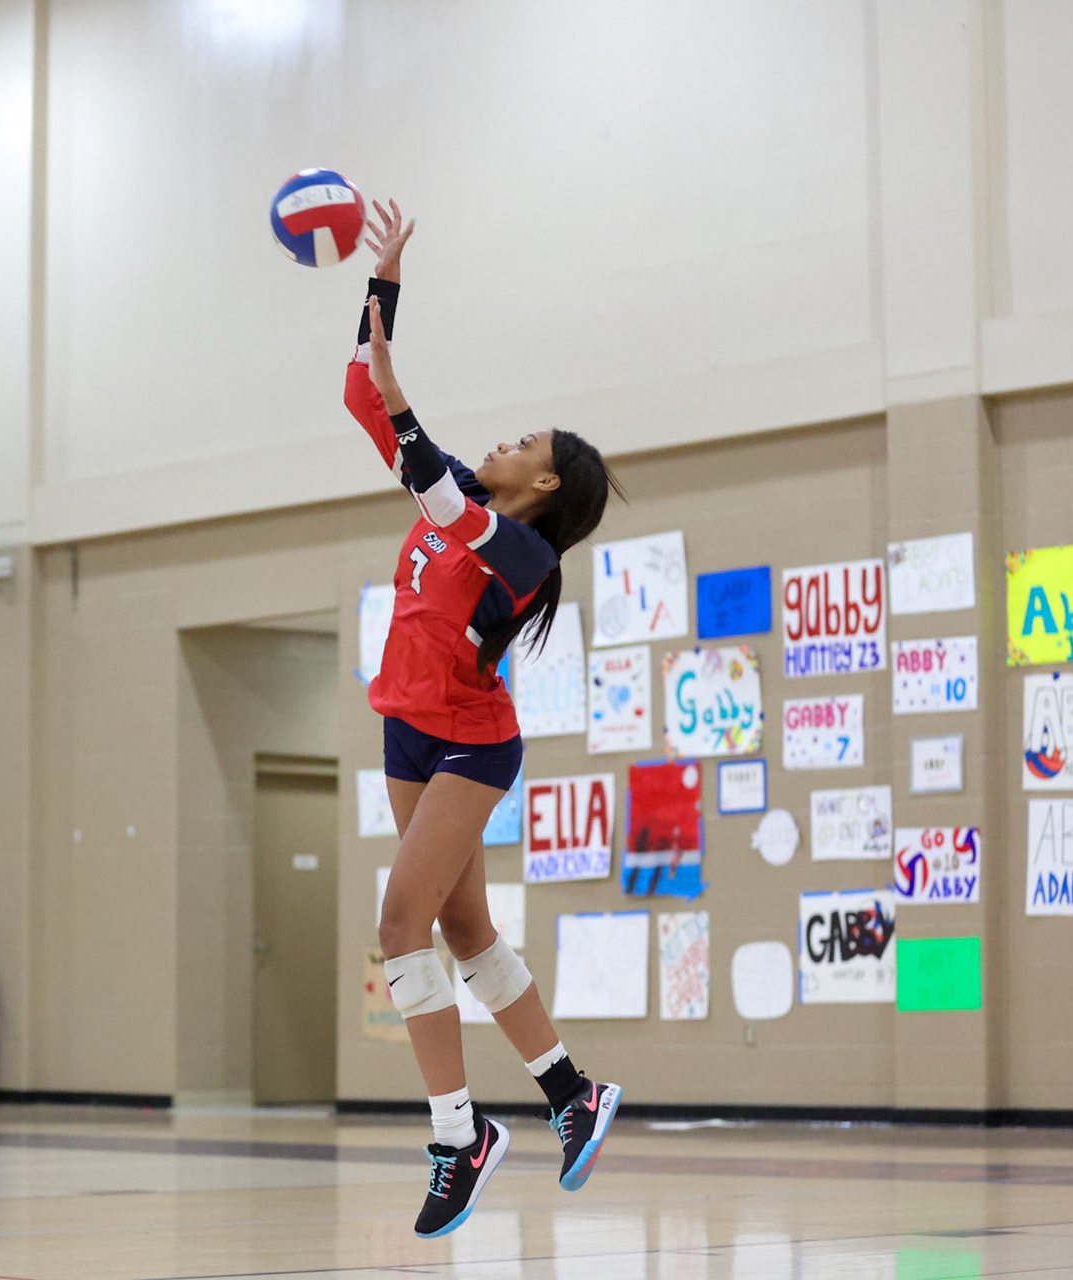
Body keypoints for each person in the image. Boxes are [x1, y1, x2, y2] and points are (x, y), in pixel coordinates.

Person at [347, 202, 625, 1238]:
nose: (500, 441)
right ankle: (570, 1093)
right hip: (405, 726)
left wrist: (396, 372)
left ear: (541, 483)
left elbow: (428, 476)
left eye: (523, 441)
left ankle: (458, 1132)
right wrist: (380, 290)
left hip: (471, 740)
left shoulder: (524, 553)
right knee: (464, 926)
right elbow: (359, 397)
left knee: (396, 924)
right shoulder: (454, 489)